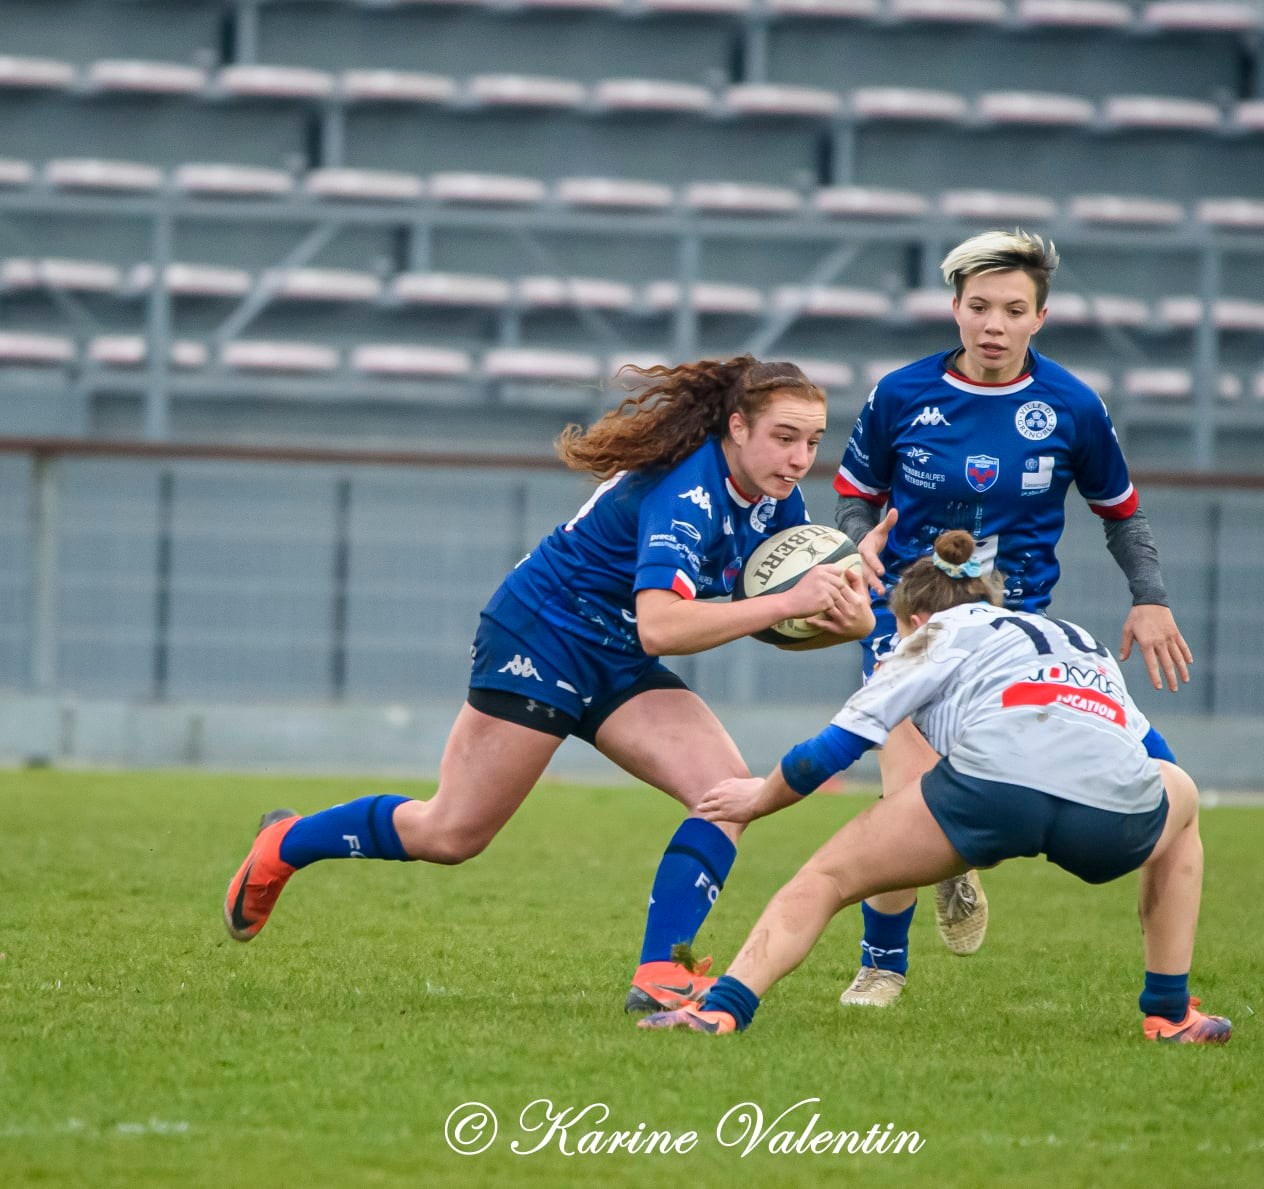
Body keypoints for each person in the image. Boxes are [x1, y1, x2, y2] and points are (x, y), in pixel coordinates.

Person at [220, 357, 874, 1012]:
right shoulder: (688, 489)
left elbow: (776, 616)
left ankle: (658, 974)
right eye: (785, 436)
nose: (799, 457)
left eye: (813, 441)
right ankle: (283, 844)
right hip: (542, 633)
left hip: (617, 655)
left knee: (727, 793)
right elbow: (663, 624)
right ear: (737, 426)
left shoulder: (774, 499)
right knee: (451, 833)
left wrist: (851, 618)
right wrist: (787, 606)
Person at [637, 530, 1230, 1044]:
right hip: (1111, 806)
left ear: (915, 618)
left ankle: (722, 1011)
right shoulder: (1077, 639)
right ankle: (1169, 1014)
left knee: (823, 879)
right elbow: (1154, 754)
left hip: (993, 790)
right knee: (1180, 796)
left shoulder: (929, 635)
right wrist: (1152, 813)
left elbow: (837, 745)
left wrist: (759, 798)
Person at [829, 228, 1194, 1006]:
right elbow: (855, 495)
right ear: (955, 309)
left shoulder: (1071, 405)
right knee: (904, 793)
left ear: (1041, 317)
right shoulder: (899, 395)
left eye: (1014, 309)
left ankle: (1162, 990)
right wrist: (857, 549)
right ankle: (881, 967)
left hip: (1016, 635)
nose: (994, 324)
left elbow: (1122, 515)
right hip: (911, 625)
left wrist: (1151, 597)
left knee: (1163, 781)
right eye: (980, 306)